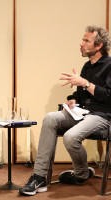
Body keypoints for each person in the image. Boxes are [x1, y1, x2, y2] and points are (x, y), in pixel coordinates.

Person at [19, 25, 111, 196]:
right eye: (82, 40)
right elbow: (81, 94)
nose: (81, 44)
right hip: (83, 112)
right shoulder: (87, 66)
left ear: (98, 46)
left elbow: (108, 96)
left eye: (86, 41)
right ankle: (39, 177)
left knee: (70, 137)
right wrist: (74, 100)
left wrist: (85, 83)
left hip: (102, 115)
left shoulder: (110, 65)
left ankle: (82, 173)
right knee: (50, 118)